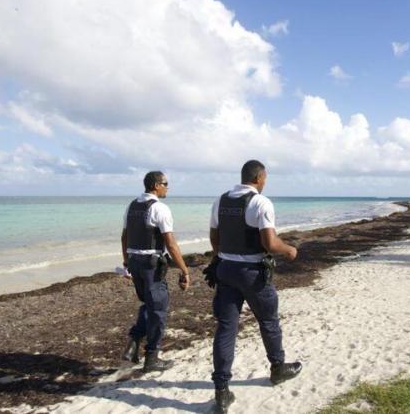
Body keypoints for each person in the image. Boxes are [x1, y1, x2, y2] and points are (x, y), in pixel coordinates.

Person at [208, 160, 302, 413]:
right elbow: (270, 243)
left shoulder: (221, 200)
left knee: (226, 328)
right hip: (252, 273)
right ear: (259, 178)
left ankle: (222, 391)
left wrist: (225, 257)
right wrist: (289, 249)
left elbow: (213, 237)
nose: (265, 182)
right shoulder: (261, 202)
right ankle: (278, 368)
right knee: (268, 321)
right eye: (265, 178)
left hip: (225, 270)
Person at [120, 171, 191, 372]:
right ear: (156, 185)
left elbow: (124, 237)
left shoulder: (132, 206)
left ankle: (133, 343)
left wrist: (126, 262)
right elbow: (171, 243)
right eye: (166, 183)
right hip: (151, 264)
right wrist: (184, 270)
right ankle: (152, 357)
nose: (168, 187)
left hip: (134, 261)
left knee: (148, 305)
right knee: (158, 310)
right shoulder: (160, 208)